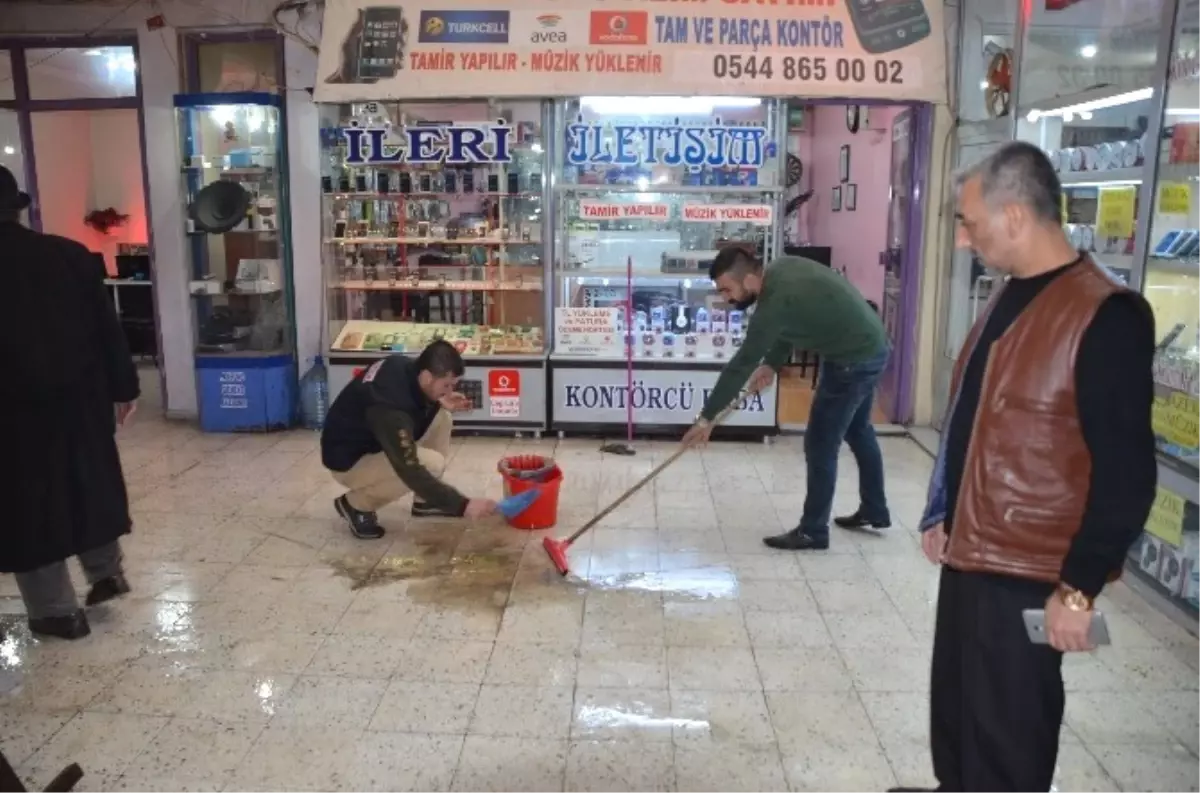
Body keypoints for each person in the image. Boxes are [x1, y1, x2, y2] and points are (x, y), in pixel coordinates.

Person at [888, 142, 1156, 793]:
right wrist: (946, 510)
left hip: (1029, 569)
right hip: (975, 552)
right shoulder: (1012, 294)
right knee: (957, 716)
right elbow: (981, 418)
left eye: (969, 224)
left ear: (1014, 216)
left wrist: (1078, 587)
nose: (962, 241)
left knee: (1009, 735)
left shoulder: (1103, 314)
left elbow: (1127, 472)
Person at [0, 165, 140, 641]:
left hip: (13, 410)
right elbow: (107, 328)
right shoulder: (70, 254)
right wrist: (125, 388)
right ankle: (106, 573)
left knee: (26, 506)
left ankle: (57, 611)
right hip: (80, 397)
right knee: (88, 481)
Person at [682, 245, 892, 551]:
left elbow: (741, 364)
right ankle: (875, 509)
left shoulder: (775, 302)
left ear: (750, 281)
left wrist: (707, 418)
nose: (726, 299)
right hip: (868, 345)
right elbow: (790, 324)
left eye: (728, 290)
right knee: (858, 430)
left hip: (853, 359)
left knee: (821, 443)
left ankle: (813, 531)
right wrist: (770, 363)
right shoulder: (781, 271)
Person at [321, 340, 497, 538]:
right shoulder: (388, 408)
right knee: (430, 464)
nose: (449, 391)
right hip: (349, 463)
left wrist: (439, 399)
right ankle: (355, 504)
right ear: (427, 376)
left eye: (452, 385)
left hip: (374, 442)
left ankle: (425, 501)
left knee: (442, 417)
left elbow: (411, 402)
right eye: (445, 385)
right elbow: (408, 467)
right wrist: (463, 505)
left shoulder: (404, 367)